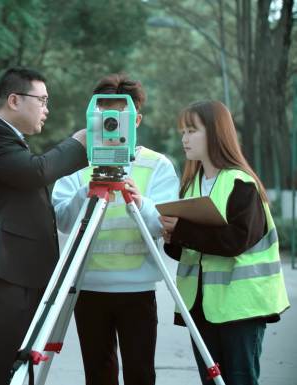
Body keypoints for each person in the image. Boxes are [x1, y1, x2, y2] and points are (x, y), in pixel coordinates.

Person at [0, 67, 87, 384]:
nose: (46, 109)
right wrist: (78, 144)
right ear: (14, 100)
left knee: (14, 374)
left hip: (10, 277)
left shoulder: (7, 139)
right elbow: (35, 172)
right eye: (42, 100)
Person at [52, 74, 179, 385]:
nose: (111, 121)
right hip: (89, 287)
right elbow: (62, 220)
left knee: (140, 373)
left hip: (138, 288)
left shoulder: (157, 165)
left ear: (136, 119)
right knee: (98, 375)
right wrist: (88, 191)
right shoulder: (75, 163)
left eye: (119, 114)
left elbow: (163, 227)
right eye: (105, 113)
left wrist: (140, 200)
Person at [160, 100, 289, 385]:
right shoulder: (191, 185)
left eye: (192, 130)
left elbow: (235, 241)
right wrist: (172, 236)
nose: (184, 138)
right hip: (202, 309)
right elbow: (190, 250)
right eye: (183, 131)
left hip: (241, 309)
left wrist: (183, 230)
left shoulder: (241, 183)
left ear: (216, 133)